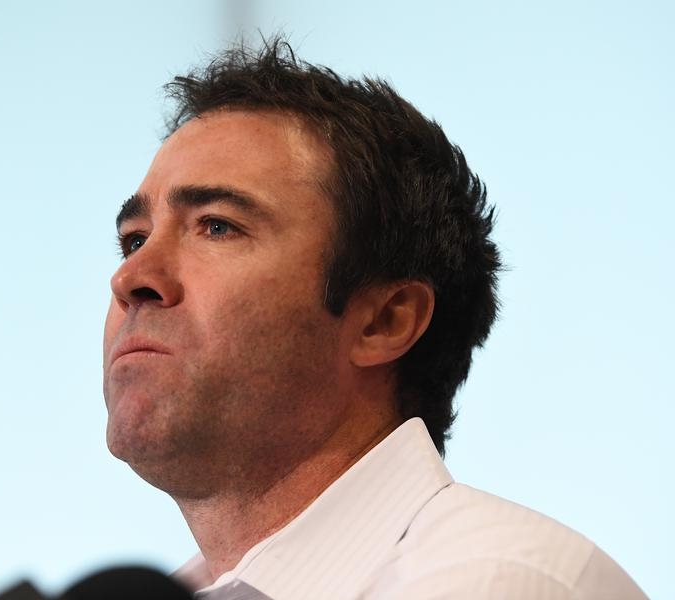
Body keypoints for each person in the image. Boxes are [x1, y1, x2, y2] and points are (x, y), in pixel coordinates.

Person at [102, 38, 646, 599]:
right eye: (134, 239)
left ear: (384, 321)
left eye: (218, 226)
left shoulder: (494, 581)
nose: (129, 278)